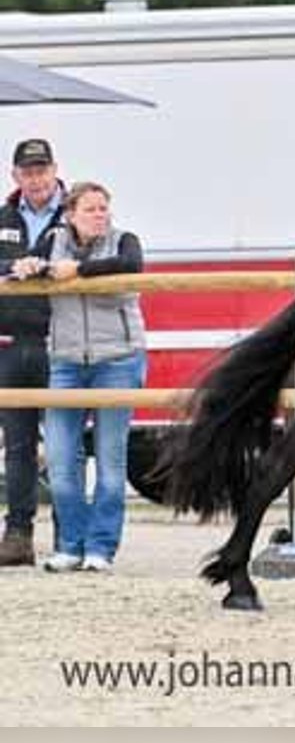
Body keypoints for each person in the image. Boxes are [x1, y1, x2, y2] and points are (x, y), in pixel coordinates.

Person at [18, 182, 147, 572]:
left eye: (103, 208)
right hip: (66, 362)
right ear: (70, 214)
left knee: (110, 459)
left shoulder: (125, 240)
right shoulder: (52, 241)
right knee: (59, 459)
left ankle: (101, 548)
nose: (99, 215)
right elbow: (19, 265)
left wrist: (79, 270)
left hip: (119, 360)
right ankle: (70, 545)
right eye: (90, 209)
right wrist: (25, 267)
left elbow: (130, 266)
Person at [0, 139, 66, 567]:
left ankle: (69, 532)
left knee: (63, 443)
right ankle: (18, 533)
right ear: (15, 176)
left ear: (55, 170)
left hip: (58, 342)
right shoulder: (2, 218)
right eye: (28, 171)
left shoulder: (75, 216)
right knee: (18, 444)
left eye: (42, 169)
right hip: (9, 344)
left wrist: (38, 266)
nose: (36, 178)